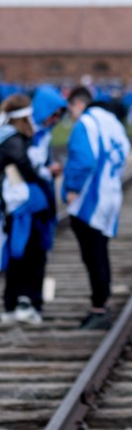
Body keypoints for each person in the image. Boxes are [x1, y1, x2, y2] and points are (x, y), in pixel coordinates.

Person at [63, 86, 131, 330]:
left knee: (92, 256)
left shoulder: (86, 123)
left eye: (70, 108)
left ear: (78, 104)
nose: (71, 114)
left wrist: (71, 188)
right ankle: (102, 303)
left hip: (89, 199)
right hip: (110, 194)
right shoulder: (113, 122)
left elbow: (83, 159)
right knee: (100, 253)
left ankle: (99, 308)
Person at [0, 94, 58, 324]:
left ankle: (15, 302)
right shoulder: (13, 140)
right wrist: (45, 175)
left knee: (21, 255)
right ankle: (26, 301)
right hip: (25, 206)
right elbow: (26, 168)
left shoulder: (7, 136)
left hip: (17, 205)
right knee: (29, 255)